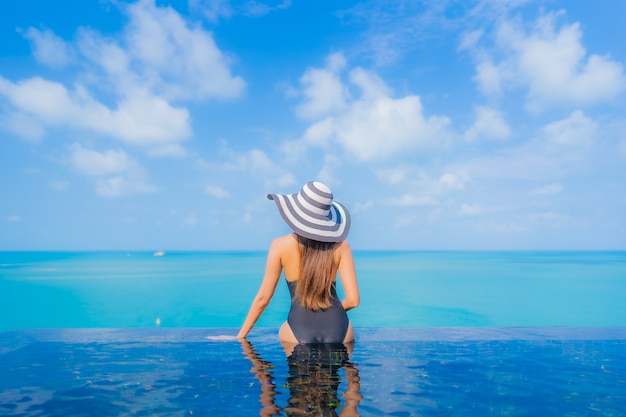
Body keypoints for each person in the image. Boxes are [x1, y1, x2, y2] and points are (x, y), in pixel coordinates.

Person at [236, 181, 360, 344]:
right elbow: (353, 301)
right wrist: (330, 313)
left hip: (297, 330)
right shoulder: (341, 247)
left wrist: (240, 337)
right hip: (341, 329)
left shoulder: (279, 245)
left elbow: (263, 299)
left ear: (298, 213)